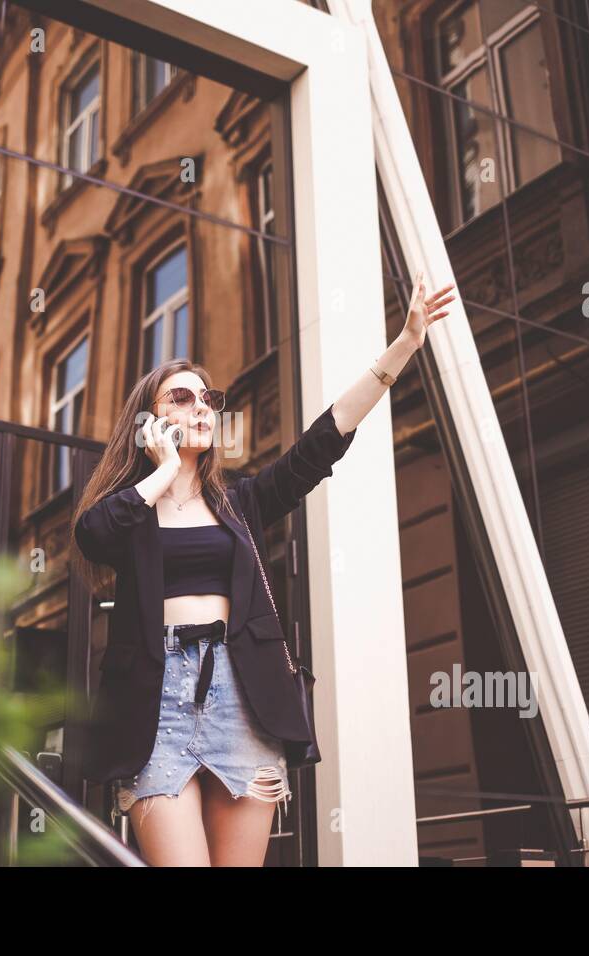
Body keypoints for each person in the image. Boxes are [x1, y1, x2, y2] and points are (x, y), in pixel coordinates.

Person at [71, 280, 455, 866]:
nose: (202, 406)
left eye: (207, 398)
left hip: (239, 698)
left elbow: (322, 443)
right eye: (182, 397)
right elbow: (92, 535)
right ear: (151, 419)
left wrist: (401, 345)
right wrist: (162, 470)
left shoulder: (242, 505)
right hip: (156, 709)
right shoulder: (132, 513)